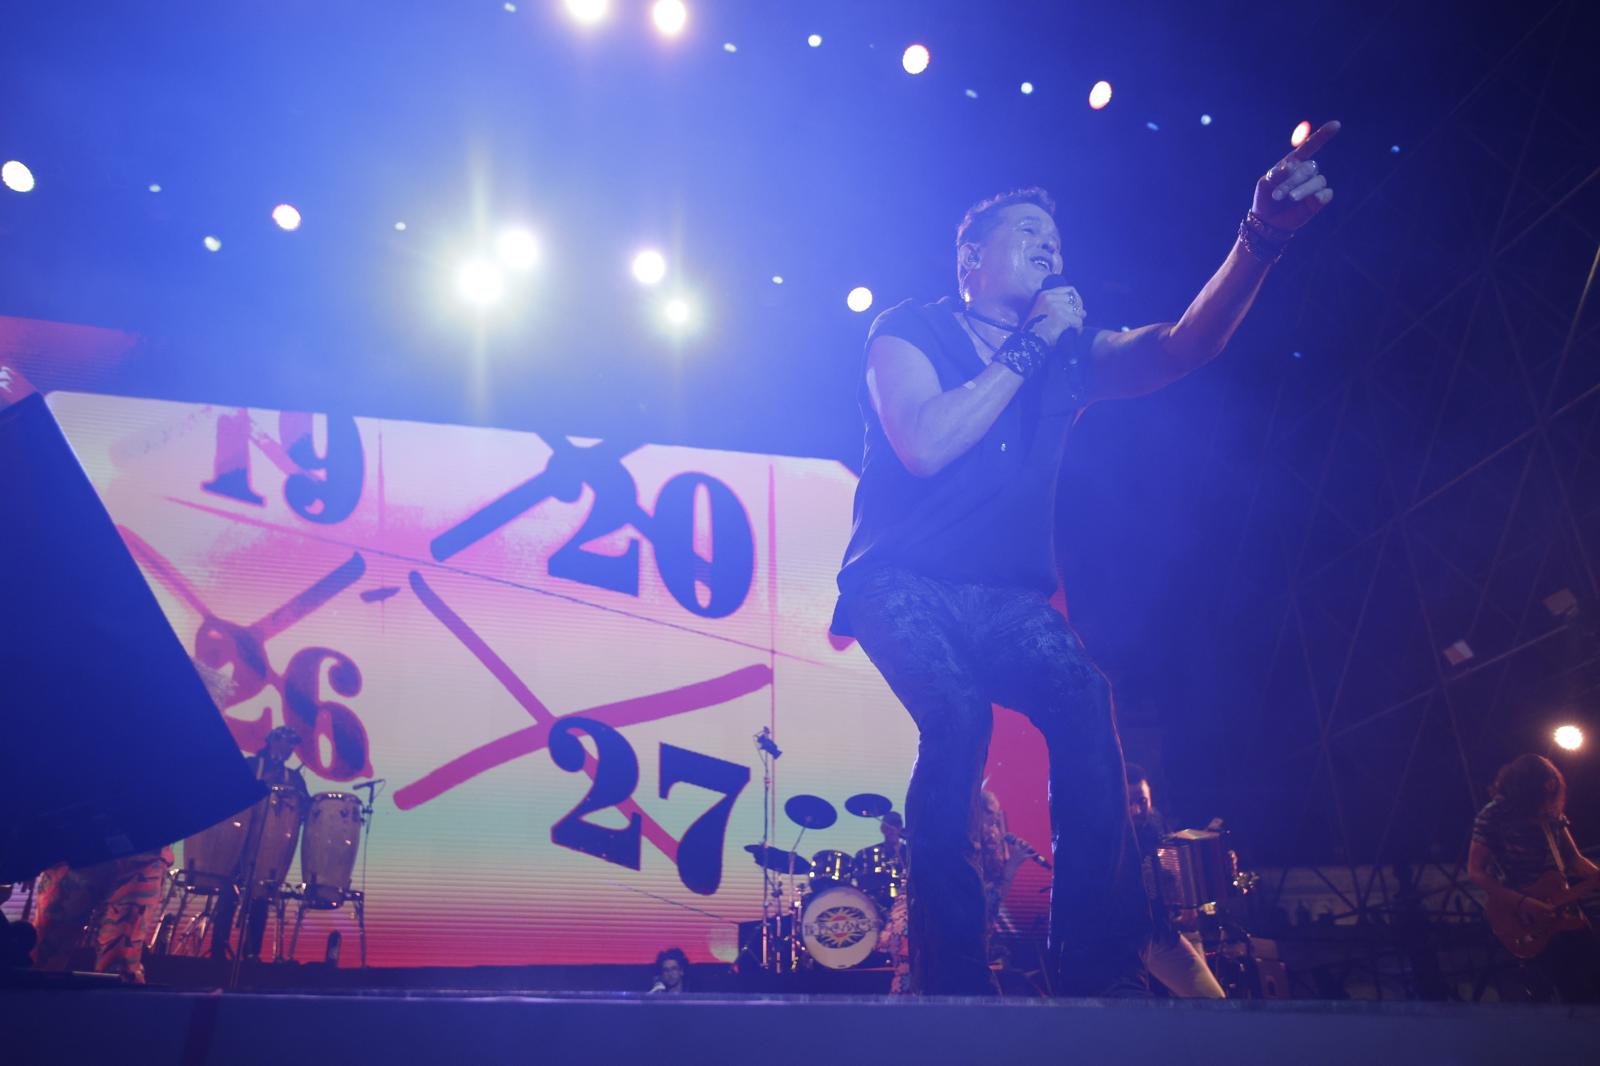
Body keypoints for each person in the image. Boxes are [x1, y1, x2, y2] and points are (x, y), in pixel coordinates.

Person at [830, 123, 1341, 995]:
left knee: (1083, 700)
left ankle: (1090, 966)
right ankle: (950, 981)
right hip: (899, 578)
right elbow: (923, 443)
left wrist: (1258, 243)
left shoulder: (1069, 354)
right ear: (971, 260)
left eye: (1055, 242)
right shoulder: (907, 329)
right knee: (955, 717)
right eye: (1027, 235)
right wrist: (1029, 347)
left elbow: (1183, 345)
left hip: (1006, 596)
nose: (1048, 249)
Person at [1467, 754, 1600, 1002]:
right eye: (1542, 791)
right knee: (1571, 992)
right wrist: (1522, 903)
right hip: (1524, 915)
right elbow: (1475, 870)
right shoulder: (1493, 815)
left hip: (1565, 909)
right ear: (1525, 788)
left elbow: (1574, 860)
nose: (1548, 797)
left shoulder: (1549, 814)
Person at [210, 725, 310, 961]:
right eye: (282, 742)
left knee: (261, 895)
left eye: (290, 745)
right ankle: (217, 950)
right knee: (229, 891)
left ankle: (251, 952)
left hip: (270, 845)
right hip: (241, 838)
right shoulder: (251, 765)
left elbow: (304, 809)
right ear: (271, 741)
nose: (286, 749)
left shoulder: (293, 778)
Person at [1125, 764, 1225, 999]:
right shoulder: (1102, 837)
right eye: (1128, 802)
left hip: (1158, 934)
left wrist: (1219, 866)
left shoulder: (1155, 826)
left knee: (1211, 1001)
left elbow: (1177, 874)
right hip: (1120, 940)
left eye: (1142, 801)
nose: (1137, 809)